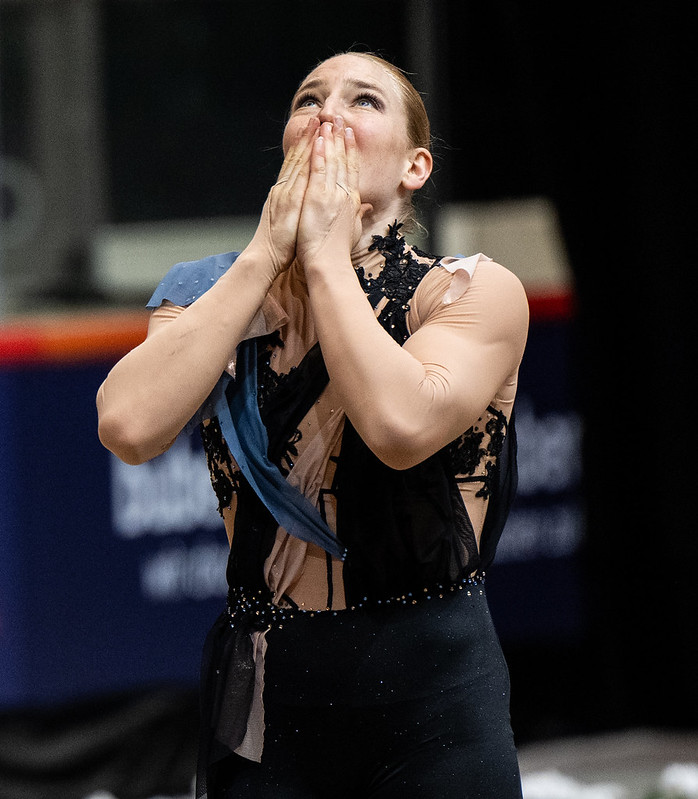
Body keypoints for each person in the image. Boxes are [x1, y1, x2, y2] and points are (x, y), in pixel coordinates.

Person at [97, 51, 529, 799]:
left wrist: (328, 260)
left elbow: (398, 427)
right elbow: (129, 426)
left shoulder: (466, 291)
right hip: (272, 694)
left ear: (414, 166)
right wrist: (269, 252)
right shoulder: (211, 293)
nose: (327, 113)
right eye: (308, 100)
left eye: (363, 101)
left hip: (432, 688)